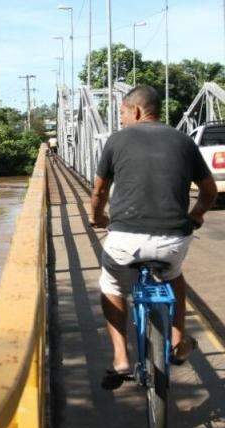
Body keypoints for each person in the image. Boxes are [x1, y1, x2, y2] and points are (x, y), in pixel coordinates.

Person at [90, 85, 218, 390]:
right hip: (173, 240)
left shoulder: (117, 140)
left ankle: (120, 358)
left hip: (125, 240)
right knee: (174, 275)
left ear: (135, 111)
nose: (121, 120)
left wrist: (97, 219)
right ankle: (177, 341)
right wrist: (195, 216)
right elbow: (209, 192)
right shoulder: (184, 141)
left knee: (111, 285)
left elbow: (99, 192)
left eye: (121, 113)